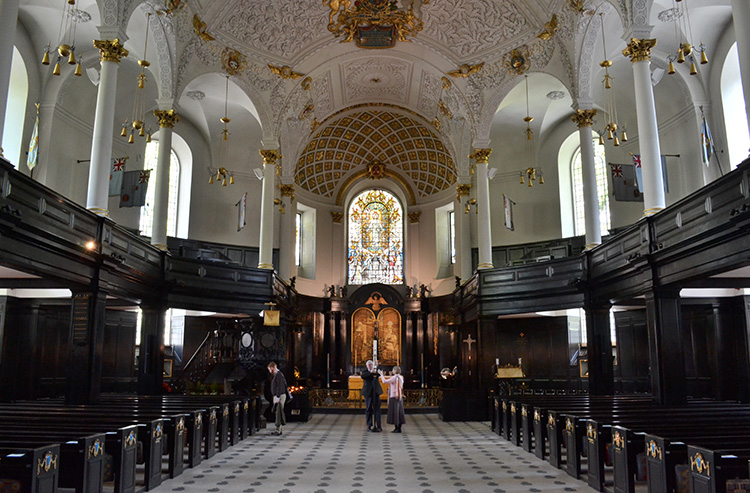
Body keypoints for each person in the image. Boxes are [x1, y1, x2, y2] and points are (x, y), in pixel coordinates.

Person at [381, 366, 405, 433]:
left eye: (393, 370)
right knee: (399, 412)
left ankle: (397, 428)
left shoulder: (395, 377)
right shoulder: (400, 377)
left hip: (394, 396)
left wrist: (381, 375)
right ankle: (399, 427)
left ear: (395, 371)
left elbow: (384, 381)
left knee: (395, 412)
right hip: (399, 396)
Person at [361, 359, 382, 432]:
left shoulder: (376, 371)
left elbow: (379, 374)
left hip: (376, 392)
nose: (370, 366)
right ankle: (369, 425)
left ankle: (378, 426)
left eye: (371, 365)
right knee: (368, 409)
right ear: (367, 366)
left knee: (377, 409)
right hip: (368, 393)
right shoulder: (365, 372)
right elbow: (363, 376)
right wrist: (370, 372)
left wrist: (376, 369)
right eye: (369, 365)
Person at [268, 361, 288, 436]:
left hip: (279, 396)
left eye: (270, 369)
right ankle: (279, 429)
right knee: (278, 412)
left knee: (278, 413)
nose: (270, 371)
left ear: (273, 367)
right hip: (278, 396)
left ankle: (278, 430)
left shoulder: (279, 375)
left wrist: (278, 397)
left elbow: (280, 386)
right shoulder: (277, 375)